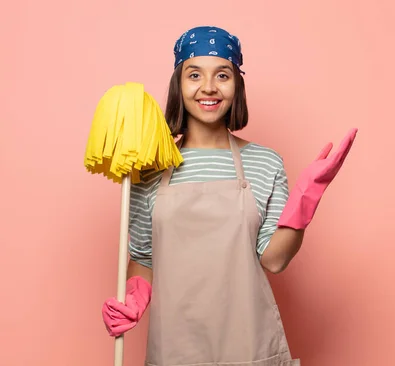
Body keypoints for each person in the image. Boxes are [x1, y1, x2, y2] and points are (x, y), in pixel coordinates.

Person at [101, 25, 357, 366]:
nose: (209, 87)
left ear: (237, 85)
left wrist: (306, 197)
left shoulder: (264, 162)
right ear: (178, 84)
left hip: (249, 347)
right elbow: (143, 259)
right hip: (176, 349)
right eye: (194, 75)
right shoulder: (150, 170)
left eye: (222, 75)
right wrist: (133, 297)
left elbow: (274, 260)